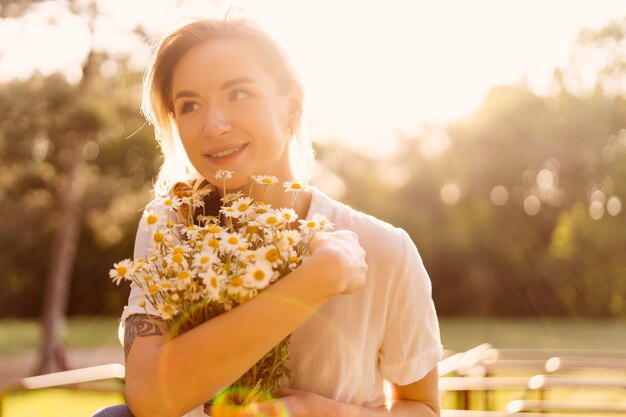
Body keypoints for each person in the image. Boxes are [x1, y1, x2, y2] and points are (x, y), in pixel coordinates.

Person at [110, 16, 443, 417]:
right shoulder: (171, 228)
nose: (213, 125)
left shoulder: (386, 250)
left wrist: (319, 412)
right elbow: (149, 397)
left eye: (239, 94)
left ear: (292, 106)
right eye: (190, 105)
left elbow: (420, 406)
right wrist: (318, 279)